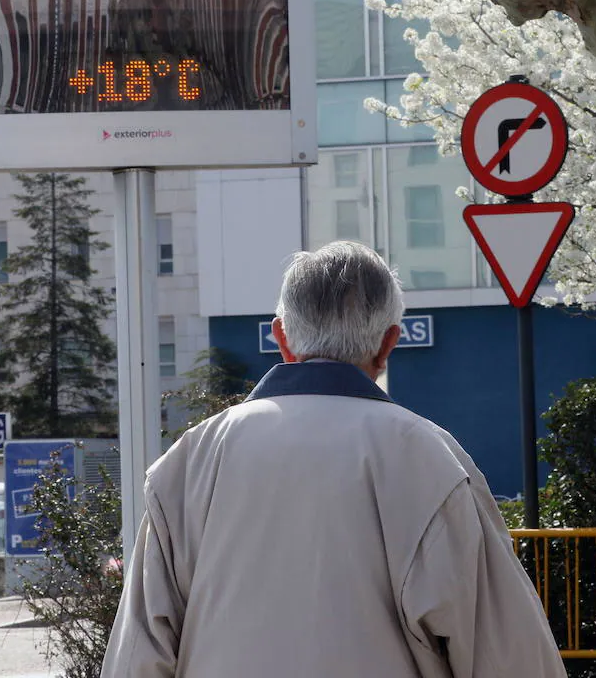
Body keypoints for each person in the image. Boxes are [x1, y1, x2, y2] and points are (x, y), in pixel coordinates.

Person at [102, 241, 566, 678]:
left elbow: (139, 655)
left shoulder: (191, 459)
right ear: (388, 344)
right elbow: (506, 652)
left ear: (281, 337)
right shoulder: (429, 458)